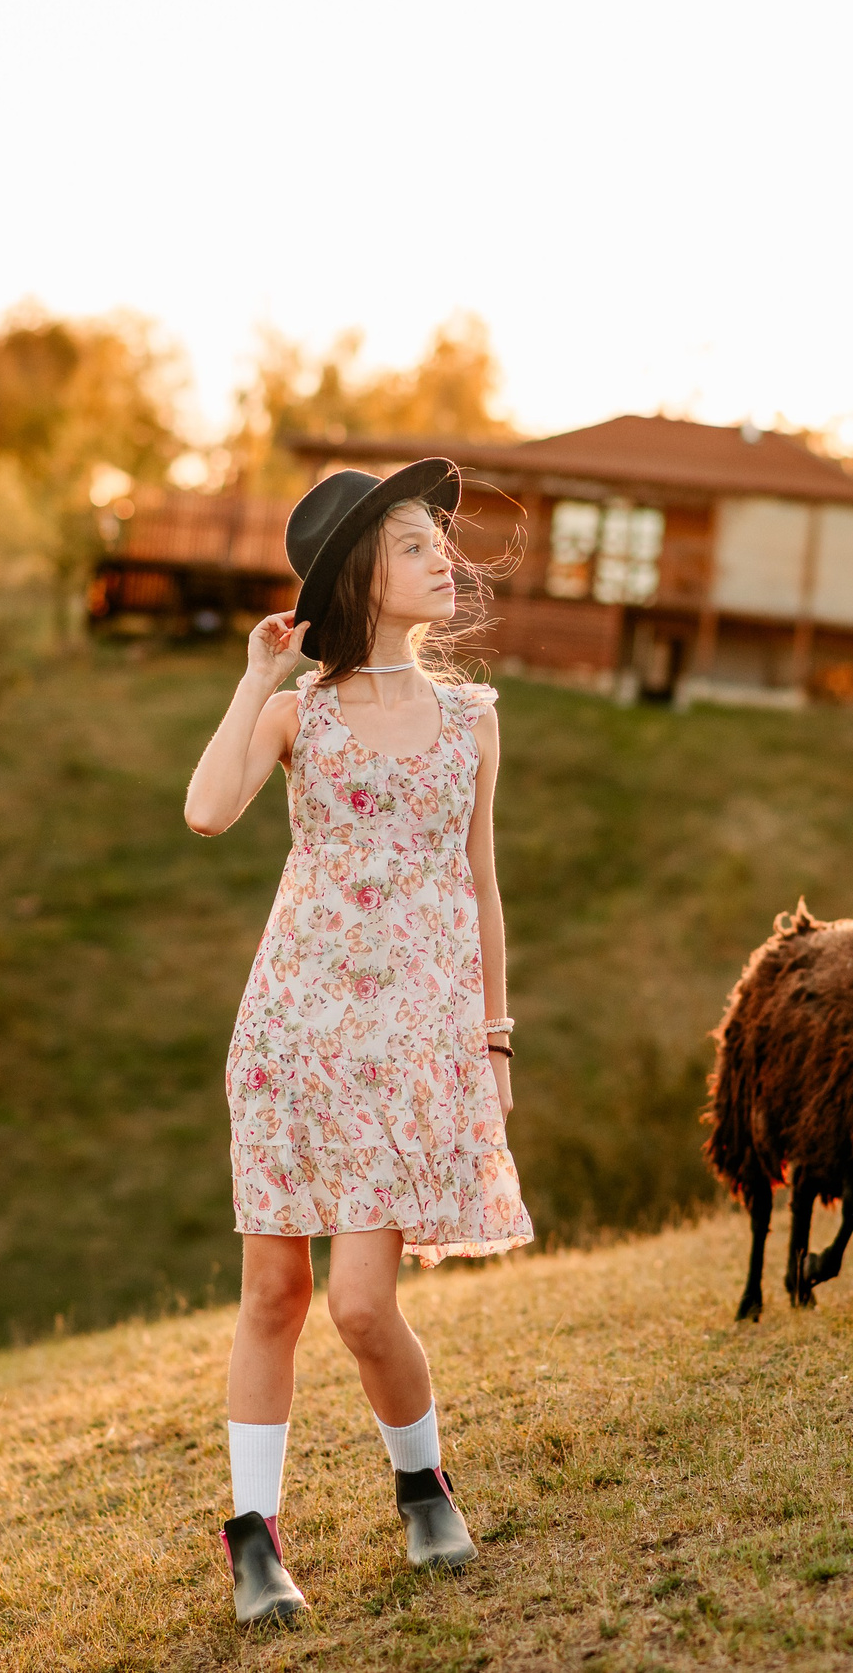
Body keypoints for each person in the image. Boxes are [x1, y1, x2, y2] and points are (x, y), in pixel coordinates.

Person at [183, 459, 532, 1623]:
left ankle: (422, 1479)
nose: (447, 559)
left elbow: (481, 888)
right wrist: (257, 676)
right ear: (361, 580)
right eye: (418, 546)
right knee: (275, 1294)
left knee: (364, 1308)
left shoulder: (473, 722)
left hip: (408, 1049)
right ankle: (253, 1539)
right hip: (294, 1037)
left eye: (442, 543)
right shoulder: (302, 713)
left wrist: (494, 1041)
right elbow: (206, 808)